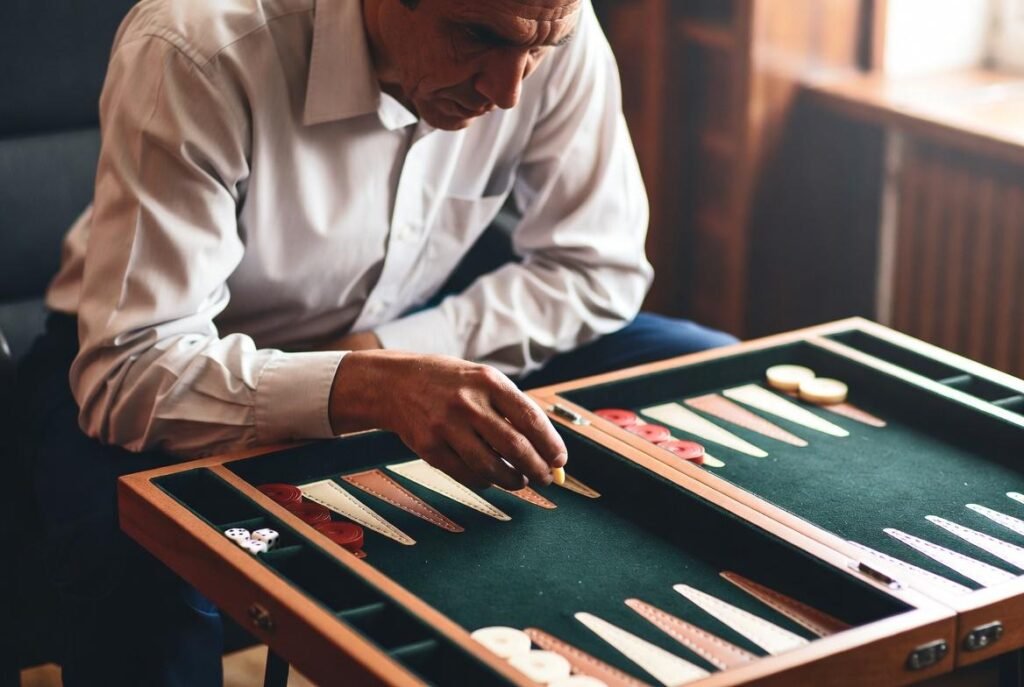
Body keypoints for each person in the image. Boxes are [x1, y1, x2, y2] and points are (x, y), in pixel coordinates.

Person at [20, 0, 736, 682]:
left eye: (538, 48)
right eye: (477, 36)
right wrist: (370, 386)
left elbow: (597, 266)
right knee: (139, 566)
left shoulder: (549, 25)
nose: (509, 92)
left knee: (700, 368)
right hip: (154, 362)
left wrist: (385, 355)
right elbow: (132, 371)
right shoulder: (198, 47)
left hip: (404, 322)